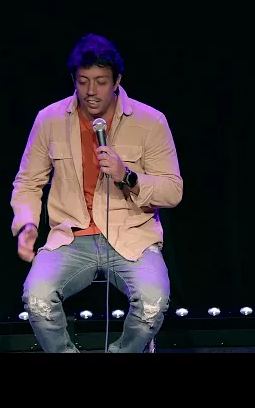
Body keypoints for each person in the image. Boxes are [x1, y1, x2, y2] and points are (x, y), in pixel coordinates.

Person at [10, 33, 183, 353]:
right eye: (83, 81)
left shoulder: (150, 121)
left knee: (153, 301)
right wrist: (27, 223)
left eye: (101, 82)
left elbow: (172, 191)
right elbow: (28, 182)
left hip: (132, 236)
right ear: (73, 80)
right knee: (36, 298)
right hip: (71, 237)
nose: (91, 91)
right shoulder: (49, 120)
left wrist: (127, 175)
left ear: (117, 81)